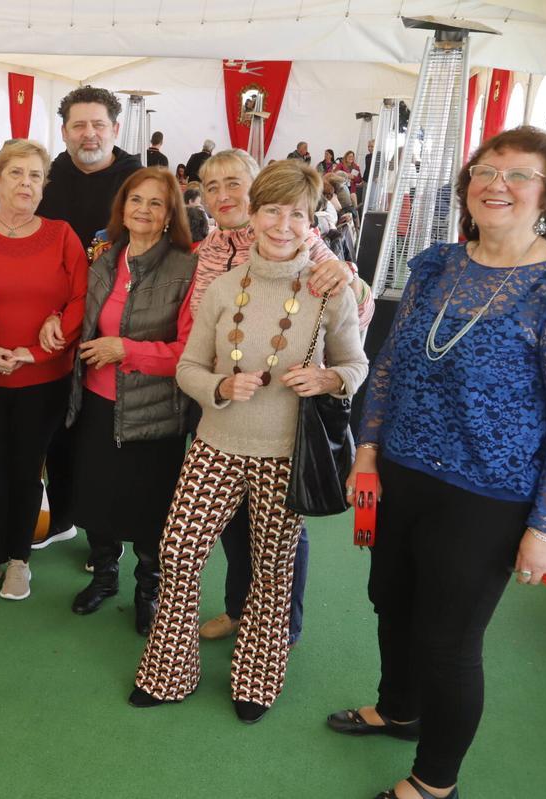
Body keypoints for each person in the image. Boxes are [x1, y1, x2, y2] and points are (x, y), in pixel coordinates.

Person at [329, 127, 546, 799]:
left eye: (519, 174)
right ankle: (399, 708)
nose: (496, 183)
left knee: (449, 640)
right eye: (485, 169)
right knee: (390, 601)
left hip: (489, 493)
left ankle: (434, 779)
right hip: (398, 474)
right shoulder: (437, 265)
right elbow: (389, 368)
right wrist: (366, 451)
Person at [132, 159, 368, 722]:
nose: (282, 224)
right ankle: (170, 671)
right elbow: (188, 366)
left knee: (273, 568)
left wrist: (330, 379)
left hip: (285, 452)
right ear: (254, 215)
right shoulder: (220, 287)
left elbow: (355, 364)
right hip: (215, 443)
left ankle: (257, 679)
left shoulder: (329, 289)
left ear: (312, 221)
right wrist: (218, 384)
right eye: (271, 210)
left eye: (296, 213)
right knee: (179, 551)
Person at [191, 149, 374, 647]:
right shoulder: (209, 248)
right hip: (216, 403)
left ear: (256, 190)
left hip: (282, 426)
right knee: (230, 524)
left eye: (234, 183)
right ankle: (237, 608)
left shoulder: (300, 239)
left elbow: (357, 305)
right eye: (212, 187)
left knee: (280, 535)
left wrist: (350, 281)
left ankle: (278, 626)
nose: (223, 195)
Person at [66, 167, 196, 634]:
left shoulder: (187, 268)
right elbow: (79, 317)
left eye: (155, 203)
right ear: (121, 208)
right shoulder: (104, 259)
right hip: (97, 405)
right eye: (135, 200)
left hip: (154, 412)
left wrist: (127, 350)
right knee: (97, 498)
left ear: (169, 215)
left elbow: (189, 354)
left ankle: (149, 590)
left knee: (150, 510)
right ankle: (103, 576)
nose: (143, 209)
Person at [0, 139, 86, 601]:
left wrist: (37, 348)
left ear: (44, 185)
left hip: (43, 378)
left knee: (26, 472)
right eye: (16, 173)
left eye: (35, 175)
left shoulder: (62, 234)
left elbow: (80, 299)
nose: (25, 183)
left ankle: (18, 560)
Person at [36, 85, 141, 555]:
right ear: (63, 132)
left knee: (102, 441)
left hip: (115, 331)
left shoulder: (138, 182)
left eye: (98, 124)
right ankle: (61, 517)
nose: (89, 134)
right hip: (54, 324)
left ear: (115, 130)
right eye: (78, 125)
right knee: (57, 430)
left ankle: (108, 541)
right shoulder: (48, 178)